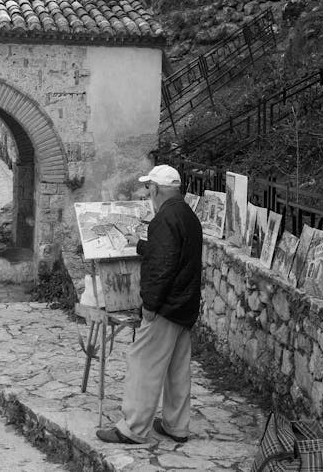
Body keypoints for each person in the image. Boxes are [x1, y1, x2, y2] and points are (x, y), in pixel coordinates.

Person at [96, 164, 203, 445]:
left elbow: (162, 267)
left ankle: (133, 428)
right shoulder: (188, 215)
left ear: (156, 189)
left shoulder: (164, 219)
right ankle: (176, 426)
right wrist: (141, 244)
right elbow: (171, 253)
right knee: (177, 369)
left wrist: (150, 305)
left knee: (142, 362)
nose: (148, 193)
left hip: (166, 307)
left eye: (148, 188)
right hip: (185, 306)